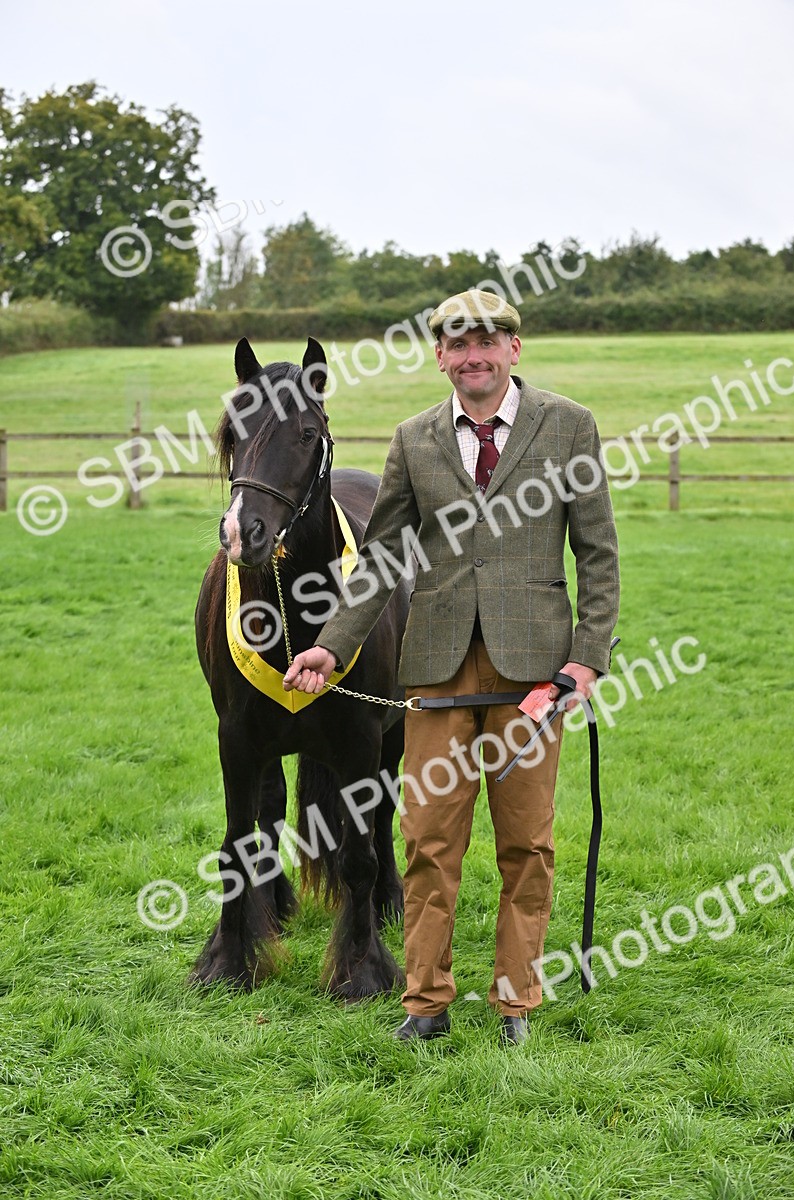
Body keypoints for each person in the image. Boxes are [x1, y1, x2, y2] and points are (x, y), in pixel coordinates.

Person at [284, 289, 620, 1046]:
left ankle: (514, 1005)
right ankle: (426, 1001)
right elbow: (378, 562)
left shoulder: (569, 427)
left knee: (526, 843)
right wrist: (332, 645)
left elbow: (597, 553)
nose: (473, 355)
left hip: (534, 676)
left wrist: (587, 659)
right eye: (457, 344)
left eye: (488, 341)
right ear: (439, 355)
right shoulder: (414, 438)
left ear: (513, 349)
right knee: (429, 840)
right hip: (433, 670)